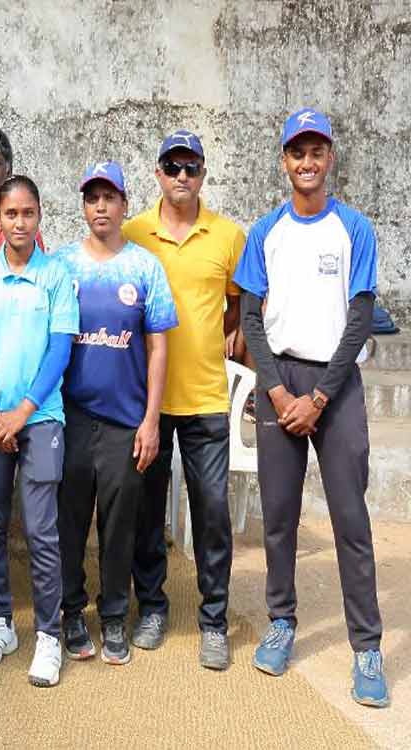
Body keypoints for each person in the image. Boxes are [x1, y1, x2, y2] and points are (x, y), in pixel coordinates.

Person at [235, 108, 389, 707]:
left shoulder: (354, 229)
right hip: (280, 378)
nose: (306, 162)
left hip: (337, 381)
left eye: (316, 151)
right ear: (284, 161)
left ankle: (367, 647)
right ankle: (282, 621)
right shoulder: (265, 231)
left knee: (351, 519)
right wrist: (276, 391)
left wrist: (321, 396)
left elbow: (360, 319)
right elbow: (251, 316)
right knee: (278, 515)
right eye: (296, 152)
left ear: (329, 159)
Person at [122, 130, 245, 666]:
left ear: (202, 174)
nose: (181, 177)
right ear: (157, 173)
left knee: (212, 510)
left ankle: (213, 619)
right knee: (147, 511)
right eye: (172, 167)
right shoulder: (133, 232)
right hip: (146, 403)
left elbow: (237, 308)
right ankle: (151, 606)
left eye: (190, 167)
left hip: (205, 398)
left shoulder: (227, 236)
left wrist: (212, 345)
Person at [52, 162, 176, 667]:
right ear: (83, 206)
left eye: (110, 197)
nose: (101, 207)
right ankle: (71, 613)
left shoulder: (144, 268)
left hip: (127, 423)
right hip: (72, 417)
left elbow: (158, 349)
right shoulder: (62, 265)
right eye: (92, 198)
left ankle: (114, 616)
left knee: (120, 525)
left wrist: (151, 421)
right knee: (71, 522)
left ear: (125, 204)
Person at [0, 175, 78, 687]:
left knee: (41, 529)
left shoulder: (56, 276)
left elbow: (60, 351)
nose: (19, 223)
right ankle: (1, 623)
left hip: (41, 419)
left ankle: (49, 635)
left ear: (39, 217)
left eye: (28, 213)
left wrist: (22, 412)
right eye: (11, 214)